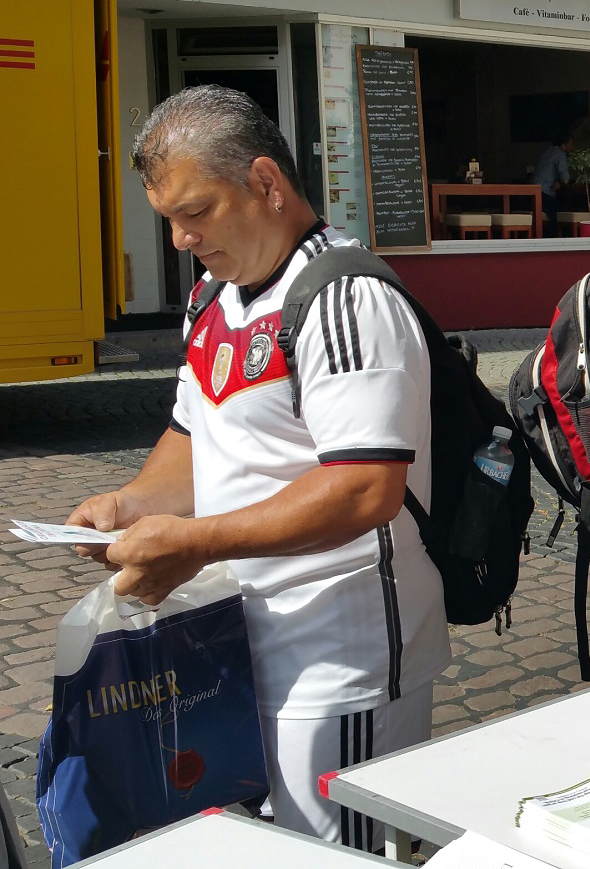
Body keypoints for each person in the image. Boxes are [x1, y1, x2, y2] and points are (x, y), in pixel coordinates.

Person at [65, 85, 449, 851]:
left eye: (196, 212)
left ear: (266, 183)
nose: (181, 239)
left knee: (335, 858)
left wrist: (196, 542)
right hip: (233, 646)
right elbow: (195, 433)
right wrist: (133, 504)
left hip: (338, 663)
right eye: (168, 219)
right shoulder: (213, 298)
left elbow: (365, 489)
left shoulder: (344, 297)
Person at [532, 132, 573, 236]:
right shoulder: (560, 154)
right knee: (563, 215)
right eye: (570, 145)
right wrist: (560, 182)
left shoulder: (546, 151)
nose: (572, 148)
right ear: (563, 145)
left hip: (533, 193)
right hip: (545, 194)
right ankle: (558, 239)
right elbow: (565, 179)